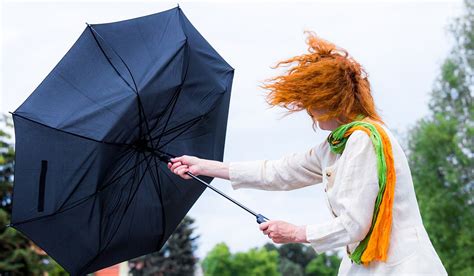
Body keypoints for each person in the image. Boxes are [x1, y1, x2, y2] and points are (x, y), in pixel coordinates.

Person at [167, 31, 447, 275]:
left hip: (401, 267)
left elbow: (354, 225)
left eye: (311, 101)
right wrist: (204, 166)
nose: (308, 111)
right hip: (371, 266)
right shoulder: (337, 145)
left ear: (331, 99)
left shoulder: (363, 140)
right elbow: (277, 172)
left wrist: (297, 233)